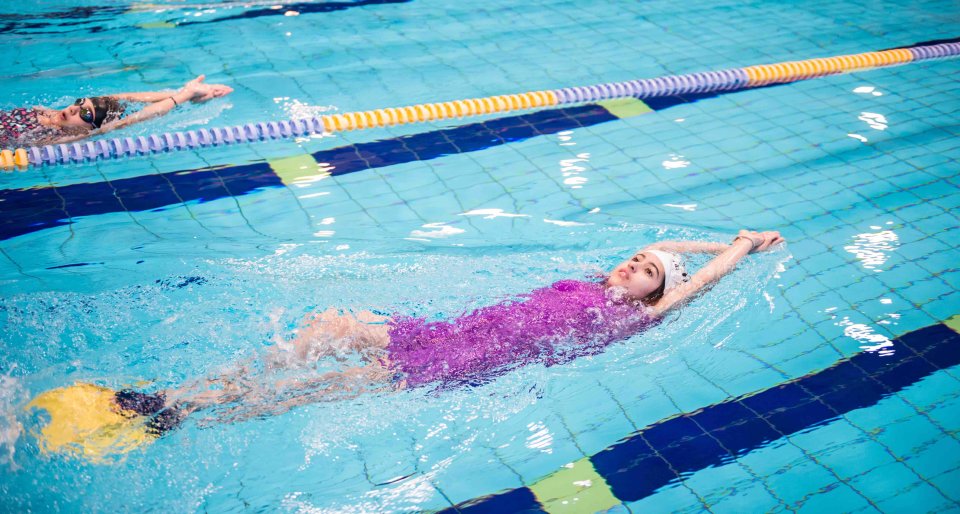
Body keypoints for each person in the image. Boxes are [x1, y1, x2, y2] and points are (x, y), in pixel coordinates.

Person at [28, 229, 784, 460]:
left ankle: (175, 415)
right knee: (326, 327)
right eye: (636, 259)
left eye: (646, 272)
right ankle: (186, 391)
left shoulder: (636, 318)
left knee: (307, 392)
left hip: (460, 364)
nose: (634, 266)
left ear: (658, 293)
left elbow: (698, 280)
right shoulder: (594, 284)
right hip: (440, 333)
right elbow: (666, 243)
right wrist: (693, 238)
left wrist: (741, 246)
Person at [0, 74, 233, 148]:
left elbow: (133, 119)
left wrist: (183, 96)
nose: (73, 110)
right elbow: (120, 99)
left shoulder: (61, 138)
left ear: (92, 128)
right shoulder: (50, 114)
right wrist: (186, 91)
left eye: (85, 115)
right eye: (79, 103)